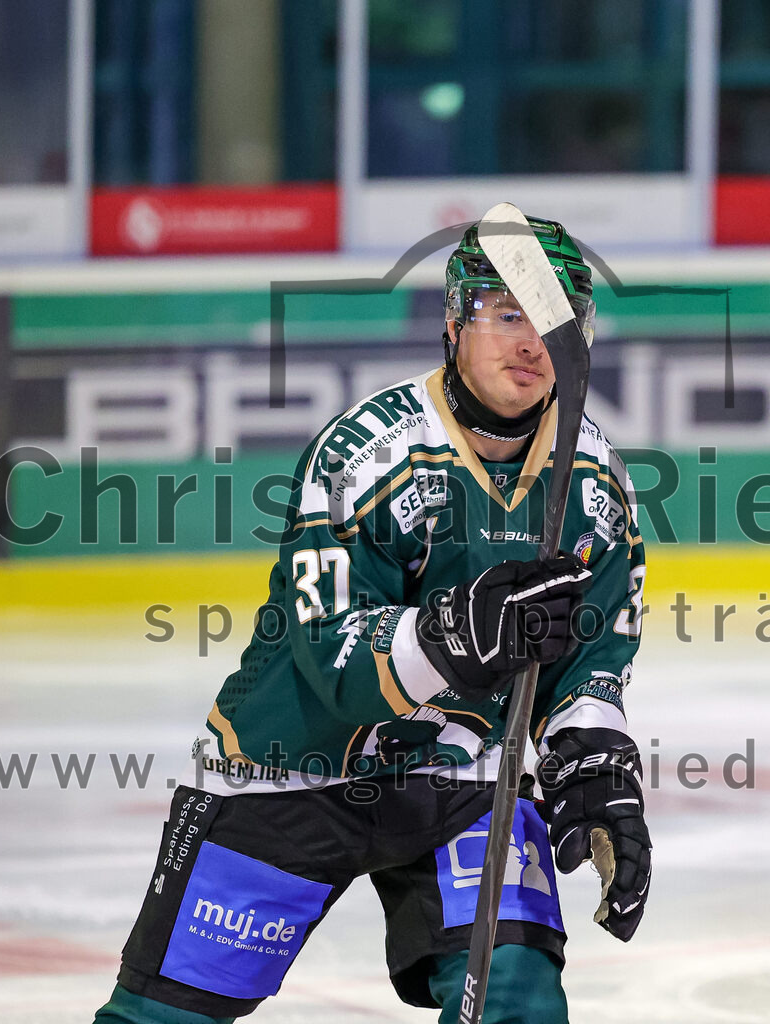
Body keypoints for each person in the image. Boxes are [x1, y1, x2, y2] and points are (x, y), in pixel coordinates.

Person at [93, 212, 652, 1024]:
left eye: (553, 322)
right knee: (163, 1021)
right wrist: (457, 635)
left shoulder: (594, 480)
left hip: (461, 778)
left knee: (518, 1000)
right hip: (291, 765)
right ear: (454, 321)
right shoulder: (370, 452)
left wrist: (593, 765)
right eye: (505, 314)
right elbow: (334, 660)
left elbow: (590, 657)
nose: (531, 343)